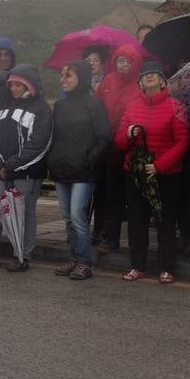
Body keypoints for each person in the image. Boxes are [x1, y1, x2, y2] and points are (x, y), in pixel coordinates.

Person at [0, 67, 52, 272]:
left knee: (24, 214)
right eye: (11, 84)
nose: (13, 88)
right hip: (1, 171)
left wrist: (13, 164)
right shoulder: (1, 105)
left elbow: (40, 143)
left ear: (29, 85)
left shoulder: (42, 109)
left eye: (18, 84)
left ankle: (22, 256)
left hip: (27, 172)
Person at [117, 60, 189, 284]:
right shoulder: (131, 107)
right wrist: (128, 134)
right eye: (144, 75)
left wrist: (159, 166)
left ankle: (166, 267)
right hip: (136, 174)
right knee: (137, 221)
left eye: (153, 74)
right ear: (139, 82)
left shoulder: (177, 106)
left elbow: (182, 142)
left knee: (165, 221)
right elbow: (119, 142)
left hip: (166, 175)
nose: (148, 77)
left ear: (162, 80)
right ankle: (137, 265)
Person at [48, 60, 110, 280]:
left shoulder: (94, 104)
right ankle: (74, 259)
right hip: (62, 169)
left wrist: (89, 161)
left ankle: (84, 262)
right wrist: (53, 160)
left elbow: (104, 138)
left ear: (81, 78)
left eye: (69, 75)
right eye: (62, 75)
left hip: (84, 172)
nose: (63, 79)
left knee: (77, 216)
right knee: (67, 218)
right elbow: (54, 136)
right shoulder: (60, 105)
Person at [93, 43, 145, 253]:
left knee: (133, 200)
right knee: (111, 197)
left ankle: (137, 244)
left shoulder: (140, 83)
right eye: (120, 61)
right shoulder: (108, 80)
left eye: (128, 61)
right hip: (108, 147)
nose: (123, 65)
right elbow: (97, 108)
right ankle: (109, 238)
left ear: (136, 64)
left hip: (132, 148)